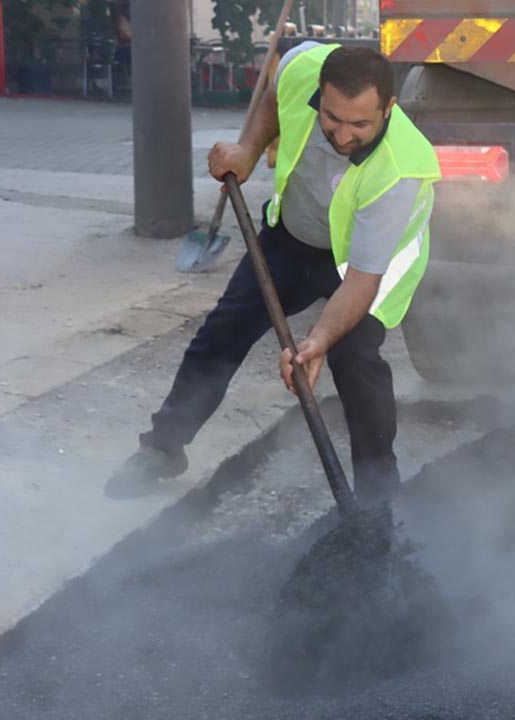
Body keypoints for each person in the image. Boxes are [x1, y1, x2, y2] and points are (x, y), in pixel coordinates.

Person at [105, 43, 441, 506]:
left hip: (362, 267)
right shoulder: (302, 68)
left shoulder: (401, 170)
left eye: (360, 123)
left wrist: (317, 342)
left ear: (389, 108)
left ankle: (378, 497)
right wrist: (248, 149)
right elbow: (275, 96)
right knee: (225, 330)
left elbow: (362, 280)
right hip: (293, 239)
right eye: (332, 118)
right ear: (320, 95)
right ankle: (162, 449)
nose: (343, 136)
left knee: (356, 361)